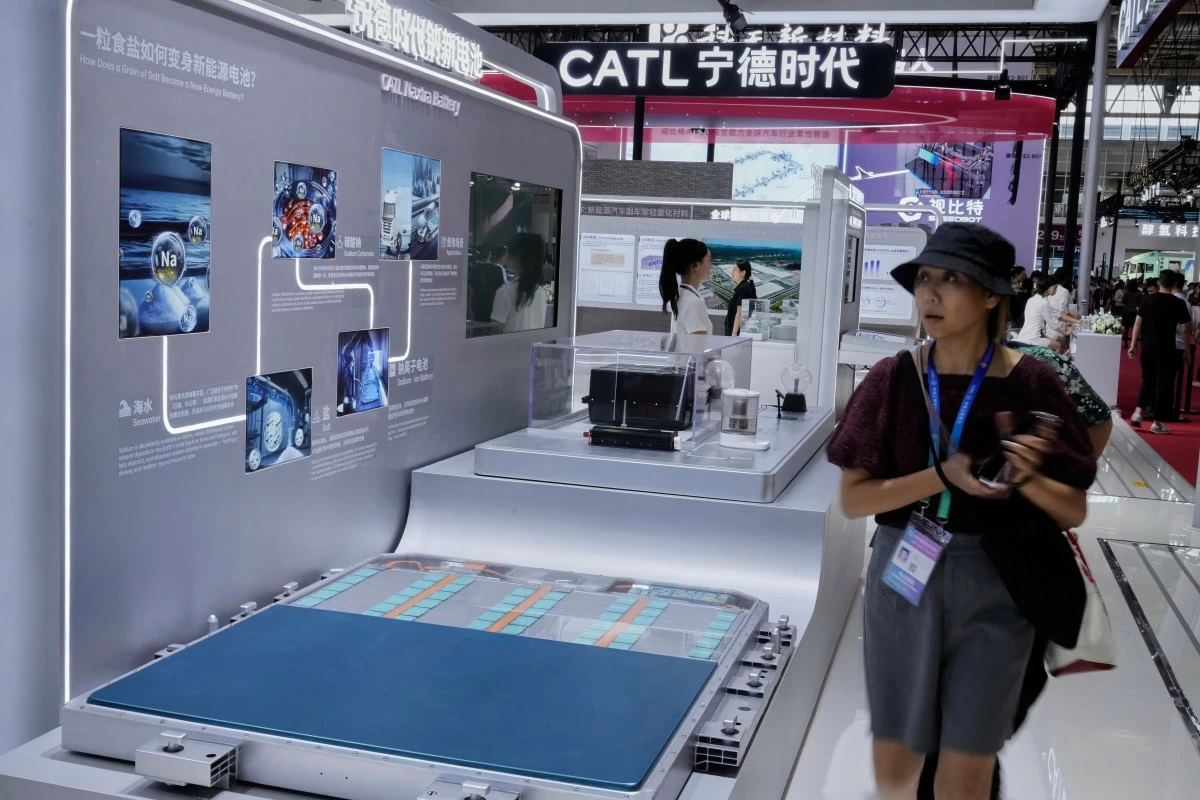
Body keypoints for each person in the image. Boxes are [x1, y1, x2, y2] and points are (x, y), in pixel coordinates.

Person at [827, 223, 1096, 800]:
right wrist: (939, 477)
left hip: (996, 582)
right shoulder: (891, 378)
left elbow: (1073, 510)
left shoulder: (1033, 382)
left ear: (994, 295)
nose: (930, 294)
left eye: (951, 280)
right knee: (897, 763)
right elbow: (853, 500)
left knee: (969, 764)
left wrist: (1029, 480)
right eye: (925, 278)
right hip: (903, 572)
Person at [917, 337, 1113, 800]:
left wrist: (1058, 472)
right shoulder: (918, 367)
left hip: (1013, 559)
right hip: (930, 541)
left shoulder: (1041, 369)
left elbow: (1097, 422)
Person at [1128, 269, 1191, 433]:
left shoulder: (1147, 299)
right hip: (1167, 350)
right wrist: (1187, 350)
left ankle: (1137, 413)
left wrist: (1133, 344)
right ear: (1174, 284)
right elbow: (1185, 329)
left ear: (1159, 283)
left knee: (1147, 380)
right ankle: (1157, 422)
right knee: (1162, 384)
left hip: (1147, 347)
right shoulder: (1178, 303)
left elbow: (1137, 323)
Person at [491, 233, 549, 334]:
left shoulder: (505, 292)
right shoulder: (540, 291)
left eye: (507, 253)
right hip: (532, 349)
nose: (506, 257)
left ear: (516, 257)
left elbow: (495, 333)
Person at [659, 238, 713, 335]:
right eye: (709, 260)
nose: (711, 265)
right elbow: (697, 347)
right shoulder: (694, 302)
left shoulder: (680, 294)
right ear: (696, 265)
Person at [1013, 273, 1062, 350]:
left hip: (1024, 334)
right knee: (1058, 346)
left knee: (1056, 341)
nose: (1055, 291)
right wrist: (1065, 332)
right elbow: (1052, 323)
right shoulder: (1043, 302)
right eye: (1054, 288)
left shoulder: (1031, 299)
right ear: (1048, 288)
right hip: (1034, 338)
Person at [725, 259, 758, 336]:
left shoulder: (743, 288)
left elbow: (740, 313)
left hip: (736, 334)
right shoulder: (745, 286)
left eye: (735, 269)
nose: (732, 272)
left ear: (743, 273)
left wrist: (734, 333)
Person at [1121, 281, 1142, 345]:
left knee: (1126, 328)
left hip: (1127, 311)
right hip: (1135, 311)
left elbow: (1123, 301)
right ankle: (1134, 343)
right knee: (1134, 328)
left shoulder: (1127, 292)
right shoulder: (1139, 293)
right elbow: (1141, 302)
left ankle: (1126, 343)